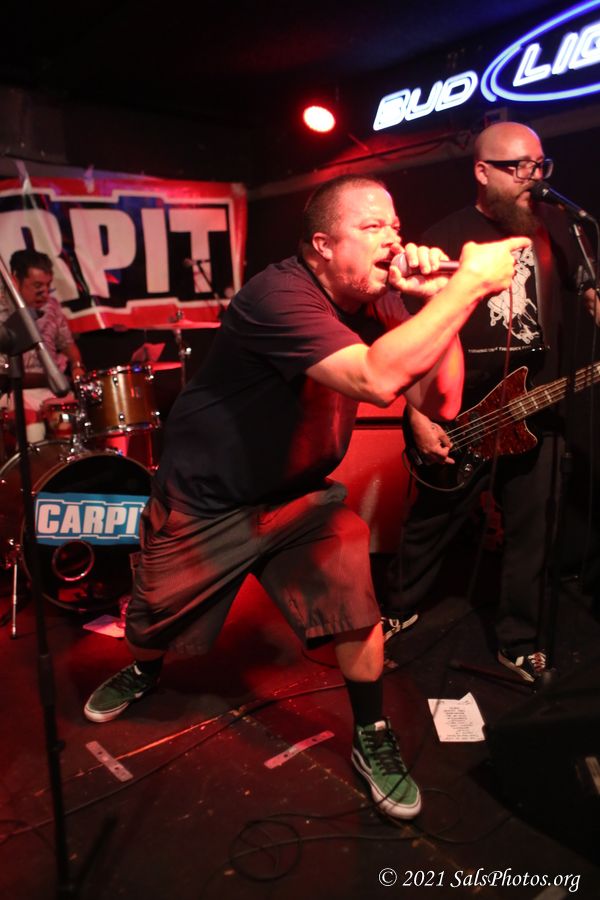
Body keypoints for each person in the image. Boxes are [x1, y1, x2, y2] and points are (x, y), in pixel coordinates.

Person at [83, 174, 527, 821]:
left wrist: (437, 304)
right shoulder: (278, 295)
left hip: (297, 496)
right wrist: (468, 287)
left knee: (353, 599)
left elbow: (442, 400)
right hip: (208, 500)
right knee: (152, 622)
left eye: (394, 226)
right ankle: (145, 670)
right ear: (323, 245)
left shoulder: (382, 298)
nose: (392, 240)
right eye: (371, 227)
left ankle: (371, 733)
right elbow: (374, 379)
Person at [383, 122, 598, 683]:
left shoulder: (558, 228)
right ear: (482, 171)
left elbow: (590, 295)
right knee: (431, 522)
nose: (533, 177)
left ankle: (517, 641)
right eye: (518, 166)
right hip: (461, 409)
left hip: (537, 408)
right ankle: (396, 607)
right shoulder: (444, 237)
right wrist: (417, 412)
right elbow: (412, 336)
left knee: (533, 532)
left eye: (539, 165)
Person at [0, 249, 85, 442]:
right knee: (33, 432)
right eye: (37, 286)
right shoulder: (2, 311)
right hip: (16, 392)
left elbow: (68, 344)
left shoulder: (51, 306)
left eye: (48, 285)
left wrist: (77, 366)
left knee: (75, 423)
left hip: (53, 388)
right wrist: (49, 379)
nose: (44, 292)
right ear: (15, 280)